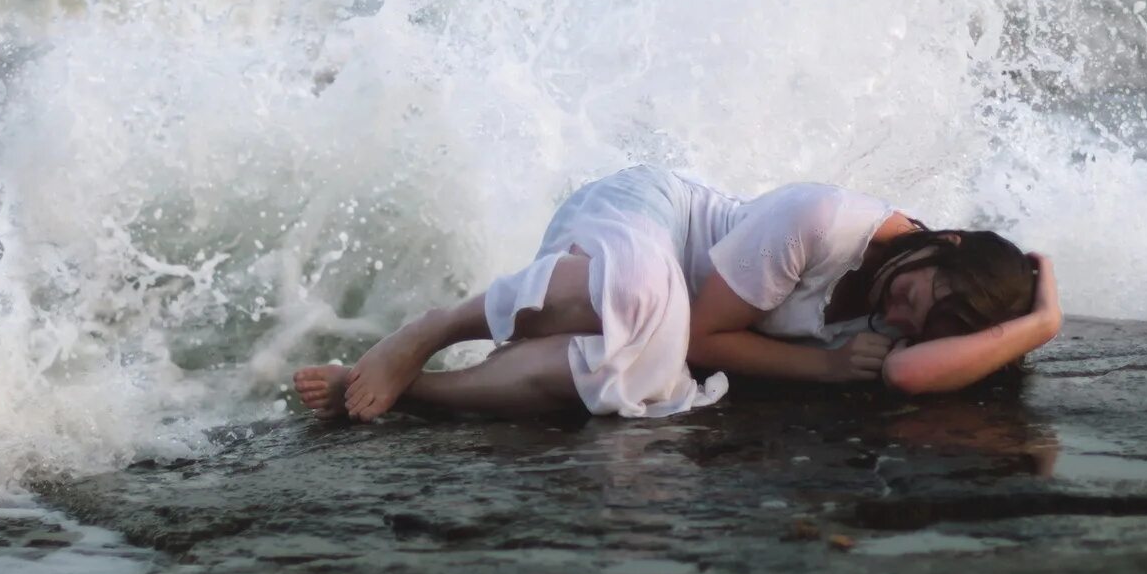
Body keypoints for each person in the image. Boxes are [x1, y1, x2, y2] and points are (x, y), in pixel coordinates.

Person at [292, 164, 1062, 422]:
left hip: (650, 322)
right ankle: (432, 328)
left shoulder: (925, 319)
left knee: (645, 380)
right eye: (915, 295)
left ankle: (418, 394)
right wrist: (828, 370)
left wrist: (1042, 316)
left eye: (918, 324)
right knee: (654, 312)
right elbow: (706, 339)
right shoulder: (821, 221)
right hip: (634, 223)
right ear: (946, 241)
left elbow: (906, 372)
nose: (899, 319)